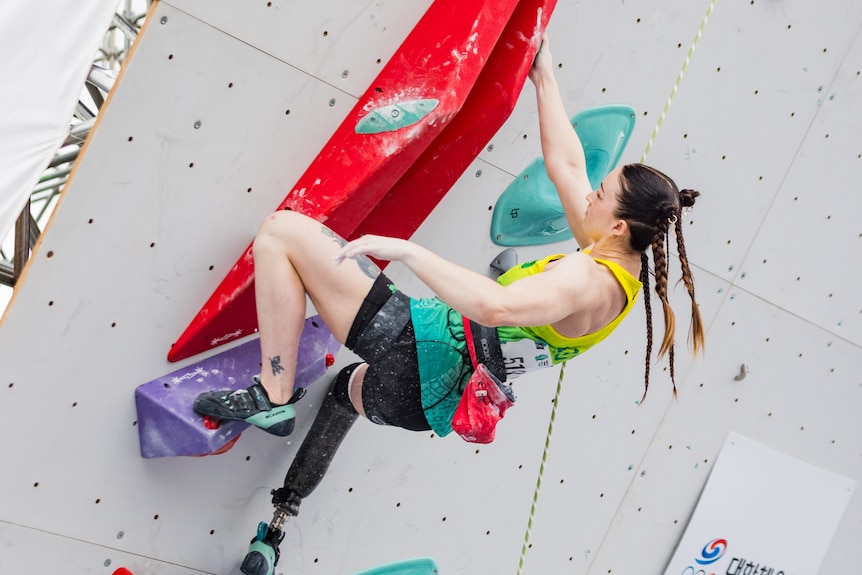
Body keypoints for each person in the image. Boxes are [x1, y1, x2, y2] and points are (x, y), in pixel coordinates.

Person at [192, 37, 705, 574]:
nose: (590, 197)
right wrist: (543, 73)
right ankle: (275, 531)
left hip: (415, 347)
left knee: (280, 233)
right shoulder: (624, 264)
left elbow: (495, 307)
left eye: (602, 195)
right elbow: (566, 165)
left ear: (619, 223)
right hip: (432, 396)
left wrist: (408, 250)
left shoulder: (586, 278)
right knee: (346, 394)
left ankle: (272, 393)